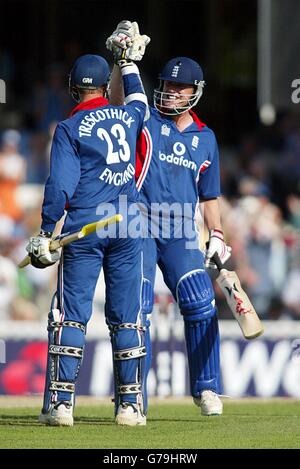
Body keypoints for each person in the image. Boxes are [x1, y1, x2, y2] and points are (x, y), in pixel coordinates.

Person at [107, 21, 232, 416]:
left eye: (180, 88)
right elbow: (116, 97)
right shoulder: (144, 119)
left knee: (200, 302)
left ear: (195, 92)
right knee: (138, 307)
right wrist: (121, 61)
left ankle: (207, 390)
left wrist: (217, 232)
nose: (171, 92)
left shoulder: (205, 137)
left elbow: (208, 194)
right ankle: (132, 397)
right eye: (167, 85)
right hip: (138, 222)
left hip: (180, 228)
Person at [25, 52, 149, 426]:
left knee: (71, 317)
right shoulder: (128, 115)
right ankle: (130, 407)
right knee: (127, 318)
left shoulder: (68, 127)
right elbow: (140, 98)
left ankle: (62, 405)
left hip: (84, 226)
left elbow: (60, 185)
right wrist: (127, 62)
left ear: (72, 87)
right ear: (106, 87)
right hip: (127, 224)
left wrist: (47, 231)